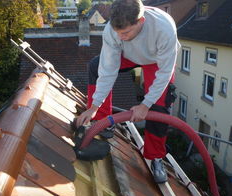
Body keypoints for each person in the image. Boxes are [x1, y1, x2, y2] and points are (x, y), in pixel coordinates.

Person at [76, 0, 180, 183]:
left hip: (156, 60)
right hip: (129, 55)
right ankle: (103, 121)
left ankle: (155, 157)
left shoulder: (164, 28)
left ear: (141, 21)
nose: (121, 37)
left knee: (160, 104)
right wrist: (93, 106)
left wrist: (145, 104)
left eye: (125, 32)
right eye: (118, 33)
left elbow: (165, 72)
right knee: (95, 67)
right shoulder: (112, 31)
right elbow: (107, 70)